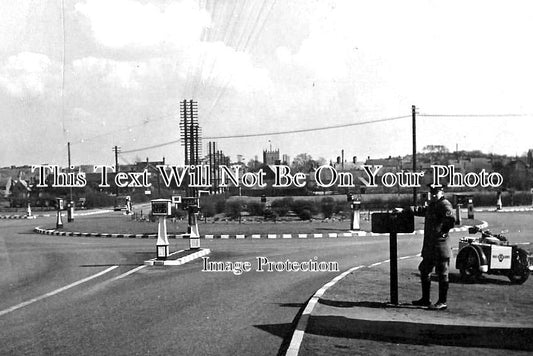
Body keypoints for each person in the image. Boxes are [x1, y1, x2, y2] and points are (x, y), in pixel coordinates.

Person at [412, 184, 455, 310]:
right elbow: (422, 211)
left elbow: (451, 220)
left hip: (441, 246)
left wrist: (443, 232)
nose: (434, 194)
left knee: (442, 273)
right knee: (424, 269)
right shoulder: (433, 205)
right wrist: (407, 209)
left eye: (436, 192)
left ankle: (442, 302)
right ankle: (425, 299)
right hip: (431, 247)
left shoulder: (444, 204)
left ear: (442, 192)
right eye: (432, 192)